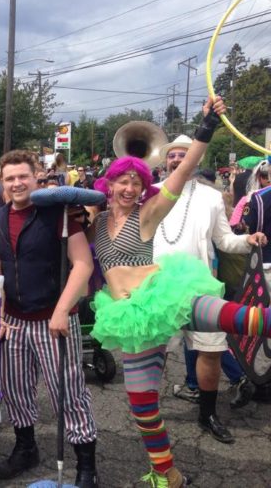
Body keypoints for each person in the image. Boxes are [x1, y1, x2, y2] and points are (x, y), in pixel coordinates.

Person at [90, 96, 271, 486]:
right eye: (123, 180)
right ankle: (166, 474)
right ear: (109, 183)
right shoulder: (96, 221)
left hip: (166, 294)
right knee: (142, 407)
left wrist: (207, 125)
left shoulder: (148, 212)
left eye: (136, 182)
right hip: (131, 318)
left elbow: (185, 168)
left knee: (246, 319)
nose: (129, 187)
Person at [0, 150, 98, 487]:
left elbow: (83, 264)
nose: (17, 183)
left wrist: (63, 310)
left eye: (23, 176)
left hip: (53, 320)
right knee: (16, 390)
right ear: (2, 182)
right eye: (10, 178)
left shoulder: (58, 214)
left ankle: (86, 466)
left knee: (68, 392)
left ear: (36, 176)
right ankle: (26, 448)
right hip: (14, 320)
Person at [154, 134, 265, 444]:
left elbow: (224, 240)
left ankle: (207, 414)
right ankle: (148, 412)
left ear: (196, 159)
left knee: (211, 350)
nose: (177, 160)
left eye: (183, 155)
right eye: (172, 155)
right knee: (154, 351)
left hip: (201, 287)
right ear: (165, 161)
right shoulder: (152, 193)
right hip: (158, 287)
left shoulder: (211, 197)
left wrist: (247, 240)